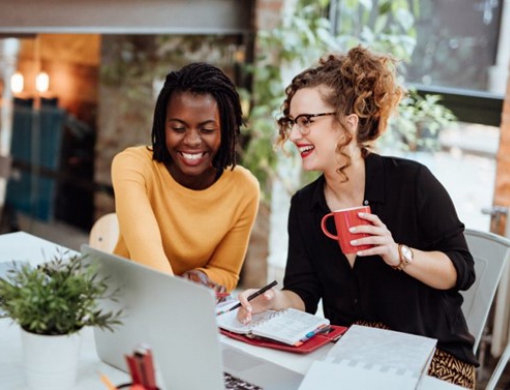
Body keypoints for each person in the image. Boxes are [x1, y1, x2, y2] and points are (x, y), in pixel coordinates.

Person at [236, 46, 478, 388]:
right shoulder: (306, 206)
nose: (293, 135)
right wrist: (274, 301)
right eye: (292, 122)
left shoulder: (412, 183)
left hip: (433, 358)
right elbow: (304, 294)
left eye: (306, 121)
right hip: (354, 357)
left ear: (347, 124)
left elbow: (461, 272)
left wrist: (398, 254)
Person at [111, 62, 260, 293]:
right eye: (178, 128)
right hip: (125, 296)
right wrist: (178, 291)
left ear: (227, 130)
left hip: (186, 304)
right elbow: (145, 248)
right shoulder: (133, 166)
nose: (191, 140)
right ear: (162, 127)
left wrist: (201, 277)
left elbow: (226, 272)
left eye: (207, 130)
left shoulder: (244, 188)